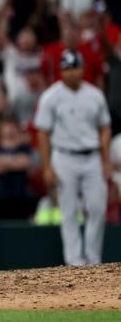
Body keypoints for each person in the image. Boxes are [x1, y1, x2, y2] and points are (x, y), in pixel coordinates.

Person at [34, 50, 112, 266]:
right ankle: (75, 263)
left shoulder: (95, 95)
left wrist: (106, 161)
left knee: (97, 207)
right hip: (64, 156)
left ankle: (93, 260)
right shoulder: (51, 96)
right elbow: (43, 133)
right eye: (67, 69)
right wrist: (47, 166)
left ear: (82, 69)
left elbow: (105, 128)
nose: (71, 73)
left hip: (92, 156)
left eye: (75, 68)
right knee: (68, 211)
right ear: (61, 71)